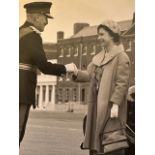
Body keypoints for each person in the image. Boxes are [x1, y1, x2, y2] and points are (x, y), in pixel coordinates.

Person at [19, 1, 75, 146]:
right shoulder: (32, 36)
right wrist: (67, 68)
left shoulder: (18, 33)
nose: (46, 22)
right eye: (45, 17)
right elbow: (44, 66)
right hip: (21, 92)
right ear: (36, 17)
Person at [72, 20, 130, 155]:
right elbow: (90, 74)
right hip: (97, 107)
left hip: (111, 109)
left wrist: (115, 104)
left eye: (102, 35)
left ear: (112, 35)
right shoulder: (99, 58)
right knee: (96, 140)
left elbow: (122, 83)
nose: (99, 38)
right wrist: (75, 73)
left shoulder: (122, 57)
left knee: (111, 143)